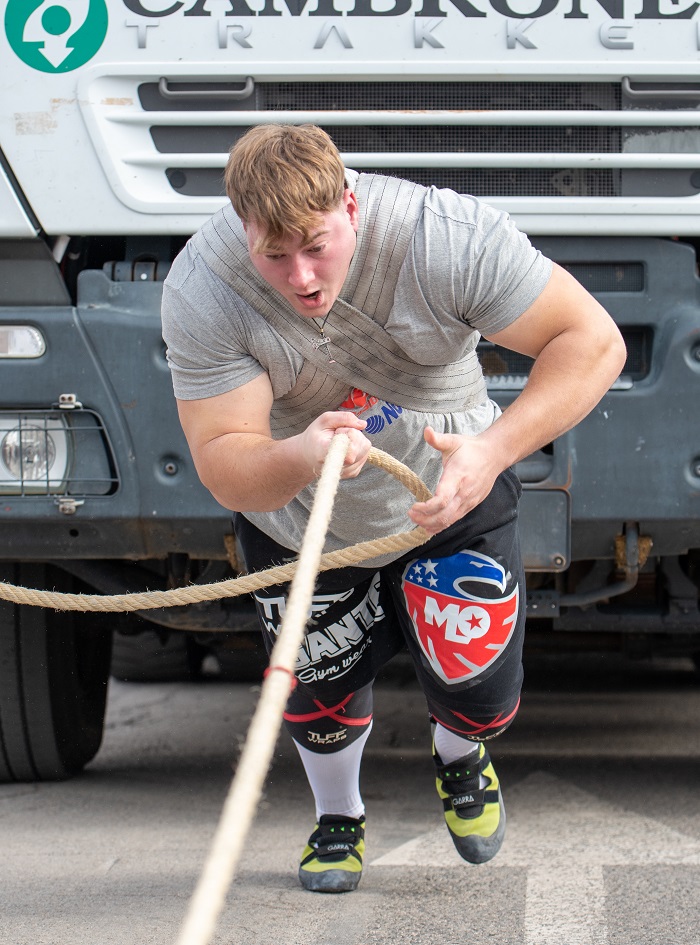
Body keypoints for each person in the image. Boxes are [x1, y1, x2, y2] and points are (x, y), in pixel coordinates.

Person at [161, 124, 626, 893]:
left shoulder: (444, 237)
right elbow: (223, 459)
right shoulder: (204, 288)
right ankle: (338, 815)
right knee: (318, 694)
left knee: (480, 690)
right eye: (274, 255)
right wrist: (297, 455)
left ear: (351, 203)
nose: (303, 276)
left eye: (317, 244)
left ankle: (459, 753)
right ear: (243, 230)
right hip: (301, 511)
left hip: (452, 483)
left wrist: (495, 449)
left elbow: (592, 339)